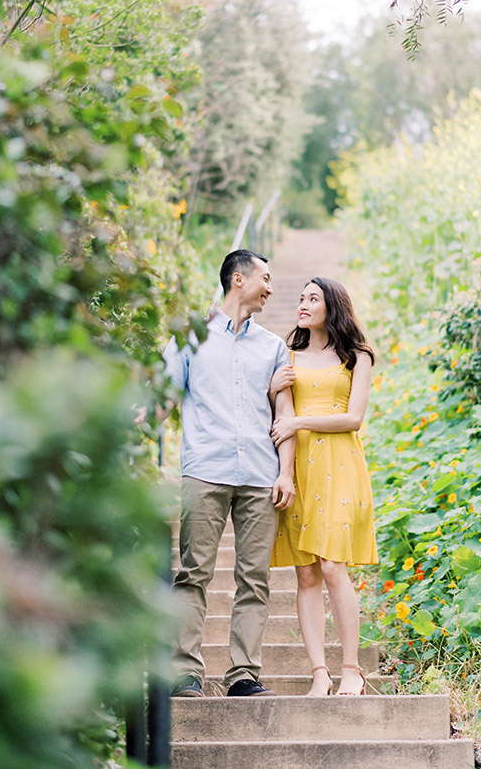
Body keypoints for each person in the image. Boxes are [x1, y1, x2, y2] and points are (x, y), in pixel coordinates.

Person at [164, 249, 296, 698]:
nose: (271, 288)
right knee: (193, 571)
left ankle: (243, 673)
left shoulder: (274, 347)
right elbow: (163, 395)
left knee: (254, 577)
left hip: (260, 472)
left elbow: (285, 416)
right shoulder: (190, 337)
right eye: (265, 278)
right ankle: (185, 672)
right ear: (238, 280)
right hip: (205, 468)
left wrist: (287, 473)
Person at [269, 277, 377, 697]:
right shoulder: (288, 356)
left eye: (312, 298)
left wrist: (299, 421)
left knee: (333, 566)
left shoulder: (357, 356)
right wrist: (284, 469)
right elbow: (281, 418)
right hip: (299, 467)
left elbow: (353, 419)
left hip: (341, 463)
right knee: (306, 573)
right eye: (300, 298)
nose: (302, 303)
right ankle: (319, 673)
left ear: (332, 306)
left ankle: (352, 668)